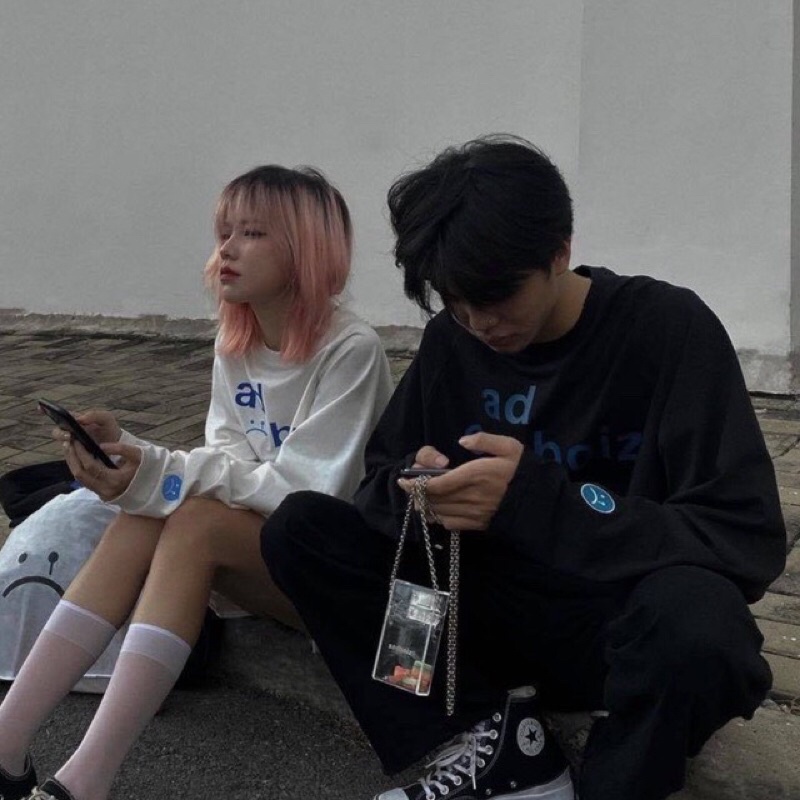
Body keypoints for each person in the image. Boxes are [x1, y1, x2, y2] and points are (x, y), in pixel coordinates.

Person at [260, 135, 787, 800]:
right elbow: (379, 487)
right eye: (456, 301)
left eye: (498, 296)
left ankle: (615, 781)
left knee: (703, 627)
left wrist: (537, 500)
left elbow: (742, 538)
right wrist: (421, 492)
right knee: (301, 531)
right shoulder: (452, 341)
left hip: (615, 628)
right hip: (484, 623)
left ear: (559, 252)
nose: (481, 322)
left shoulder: (665, 328)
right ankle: (486, 747)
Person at [0, 164, 394, 800]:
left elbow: (303, 493)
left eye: (252, 233)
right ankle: (7, 743)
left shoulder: (352, 349)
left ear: (307, 249)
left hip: (333, 577)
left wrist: (158, 468)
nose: (227, 250)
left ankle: (86, 780)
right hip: (261, 557)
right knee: (152, 514)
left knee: (193, 519)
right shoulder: (236, 342)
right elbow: (227, 465)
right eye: (224, 233)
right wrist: (135, 460)